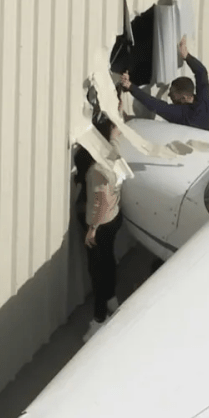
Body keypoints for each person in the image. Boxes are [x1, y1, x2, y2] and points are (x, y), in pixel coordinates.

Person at [79, 117, 124, 342]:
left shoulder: (97, 168)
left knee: (97, 272)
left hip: (102, 224)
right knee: (108, 262)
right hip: (115, 217)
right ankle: (112, 301)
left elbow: (102, 200)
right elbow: (115, 135)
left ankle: (98, 320)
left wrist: (92, 229)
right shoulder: (113, 152)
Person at [120, 36, 209, 130]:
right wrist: (186, 55)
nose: (169, 95)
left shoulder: (183, 115)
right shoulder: (203, 103)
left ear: (184, 98)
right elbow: (202, 73)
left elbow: (155, 104)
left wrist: (131, 87)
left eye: (172, 94)